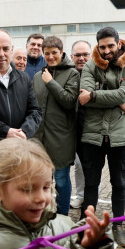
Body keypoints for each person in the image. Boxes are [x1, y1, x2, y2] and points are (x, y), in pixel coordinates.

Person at [79, 26, 125, 248]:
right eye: (102, 47)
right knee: (91, 183)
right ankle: (89, 224)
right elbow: (82, 96)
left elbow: (123, 94)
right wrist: (117, 98)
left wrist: (96, 93)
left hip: (120, 136)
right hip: (93, 134)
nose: (106, 51)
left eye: (110, 46)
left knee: (119, 183)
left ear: (118, 43)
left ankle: (118, 226)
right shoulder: (89, 66)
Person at [31, 36, 80, 215]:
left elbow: (69, 101)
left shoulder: (72, 73)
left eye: (54, 53)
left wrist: (50, 82)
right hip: (39, 137)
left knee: (60, 179)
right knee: (41, 179)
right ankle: (43, 213)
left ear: (61, 52)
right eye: (47, 53)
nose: (50, 56)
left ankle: (63, 215)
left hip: (61, 138)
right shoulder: (37, 76)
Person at [70, 40, 93, 210]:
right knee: (78, 166)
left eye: (85, 54)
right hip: (72, 128)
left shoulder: (97, 73)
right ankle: (80, 195)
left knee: (92, 167)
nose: (82, 58)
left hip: (93, 129)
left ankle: (91, 198)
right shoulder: (69, 74)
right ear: (72, 57)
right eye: (78, 55)